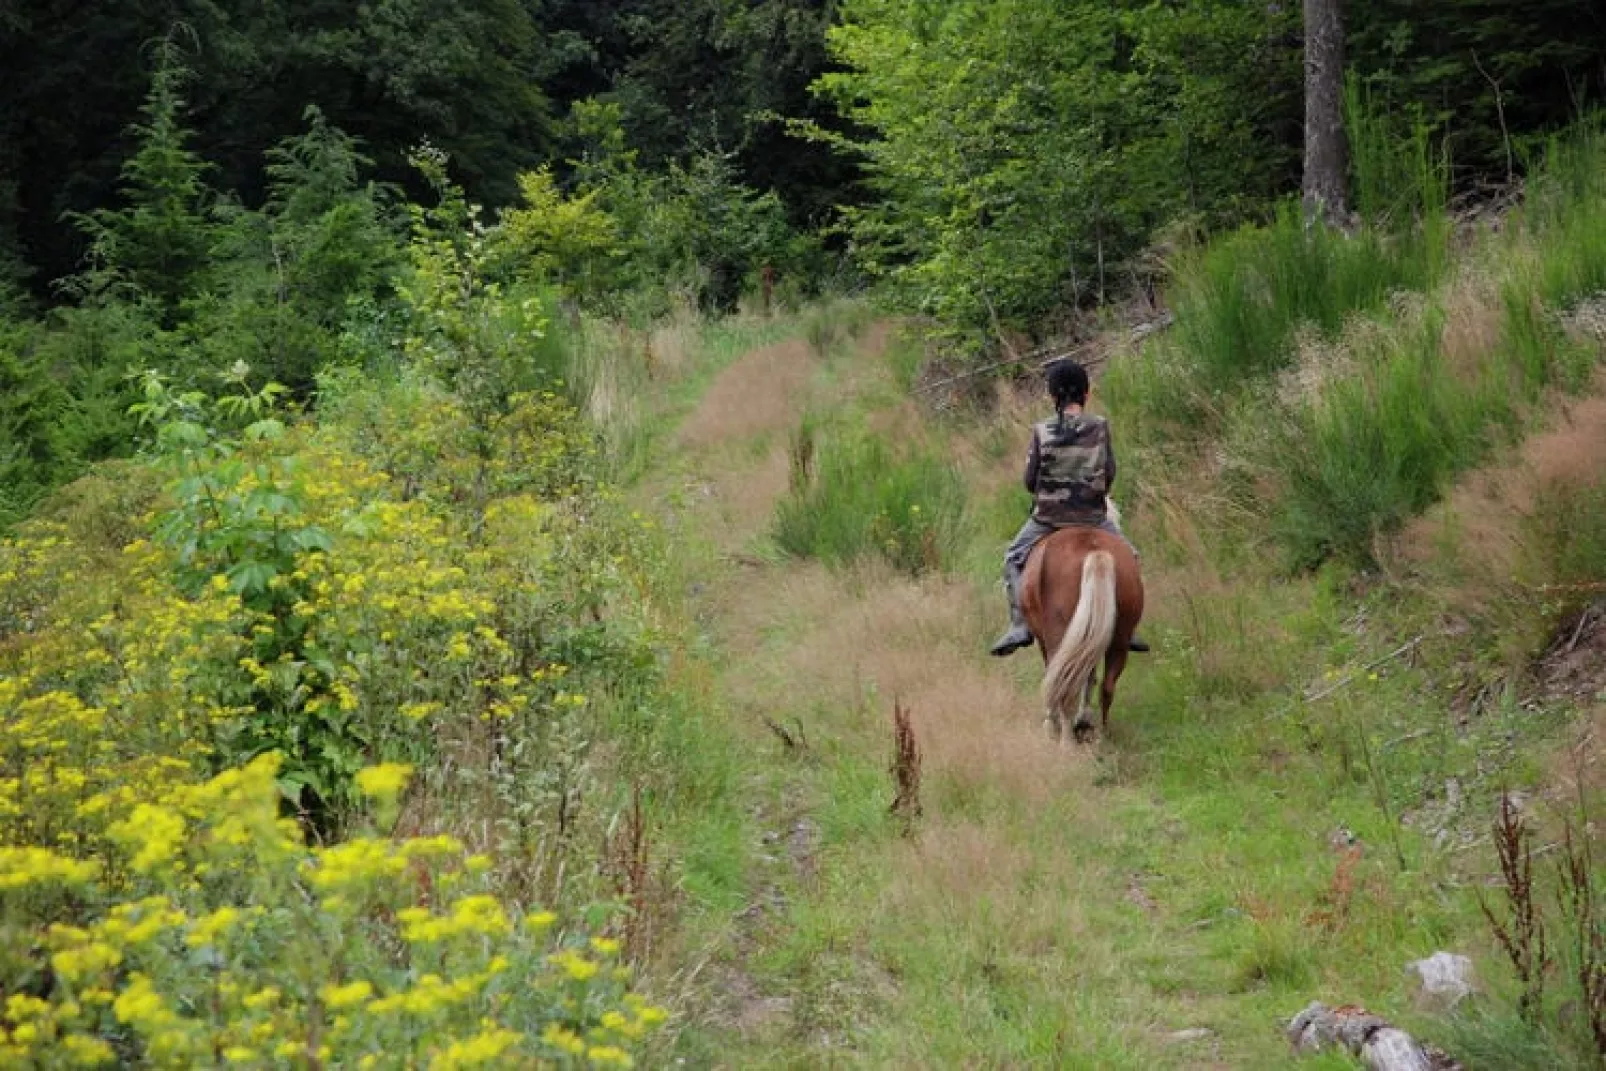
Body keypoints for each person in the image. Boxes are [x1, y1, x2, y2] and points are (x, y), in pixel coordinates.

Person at [990, 358, 1149, 657]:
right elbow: (1110, 471)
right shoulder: (1100, 426)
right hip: (1093, 517)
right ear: (1087, 393)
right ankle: (1128, 626)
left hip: (1049, 519)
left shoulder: (1041, 431)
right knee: (1131, 556)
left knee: (1013, 557)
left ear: (1052, 397)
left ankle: (1019, 625)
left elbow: (1029, 480)